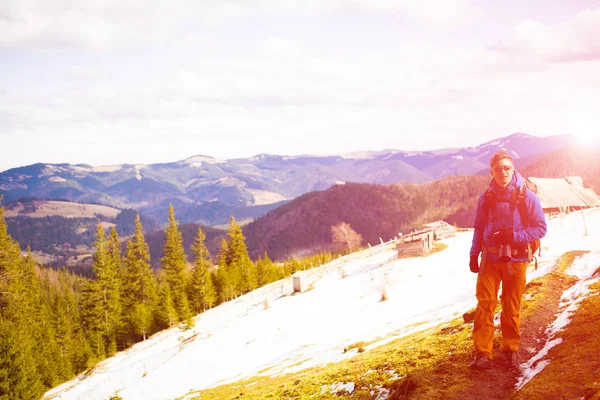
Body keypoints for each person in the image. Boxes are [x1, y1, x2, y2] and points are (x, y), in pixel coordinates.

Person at [468, 150, 547, 370]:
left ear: (513, 169)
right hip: (490, 259)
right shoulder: (486, 198)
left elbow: (540, 228)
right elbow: (479, 228)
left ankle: (510, 350)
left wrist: (513, 237)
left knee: (511, 306)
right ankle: (483, 352)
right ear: (491, 171)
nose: (503, 172)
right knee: (485, 304)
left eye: (507, 167)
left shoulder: (527, 196)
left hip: (517, 258)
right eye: (498, 168)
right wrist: (474, 254)